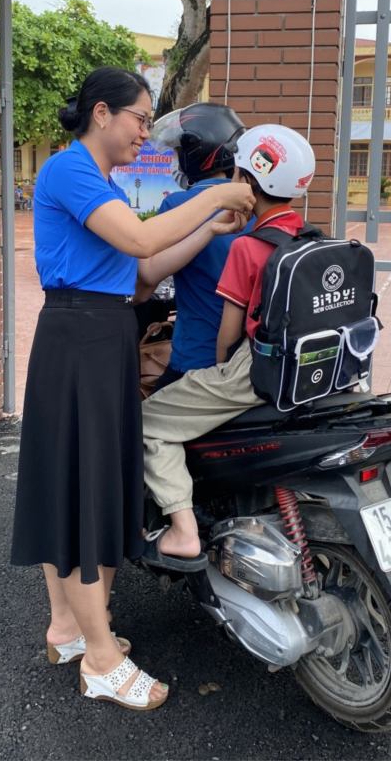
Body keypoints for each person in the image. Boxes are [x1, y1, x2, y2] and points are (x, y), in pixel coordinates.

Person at [10, 67, 254, 711]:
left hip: (101, 334)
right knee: (86, 495)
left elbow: (143, 271)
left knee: (80, 488)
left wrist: (207, 228)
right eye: (141, 118)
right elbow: (143, 238)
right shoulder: (70, 170)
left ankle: (67, 630)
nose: (147, 132)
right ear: (102, 113)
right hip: (81, 338)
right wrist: (220, 195)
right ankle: (100, 660)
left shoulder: (103, 182)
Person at [140, 124, 315, 571]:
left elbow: (228, 332)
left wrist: (220, 369)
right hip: (300, 372)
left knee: (147, 423)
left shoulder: (247, 245)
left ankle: (183, 530)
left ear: (246, 180)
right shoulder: (307, 237)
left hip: (245, 369)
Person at [137, 104, 253, 391]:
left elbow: (147, 278)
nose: (176, 161)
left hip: (193, 359)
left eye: (178, 153)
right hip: (246, 361)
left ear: (197, 153)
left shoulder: (176, 204)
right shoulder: (253, 207)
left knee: (144, 415)